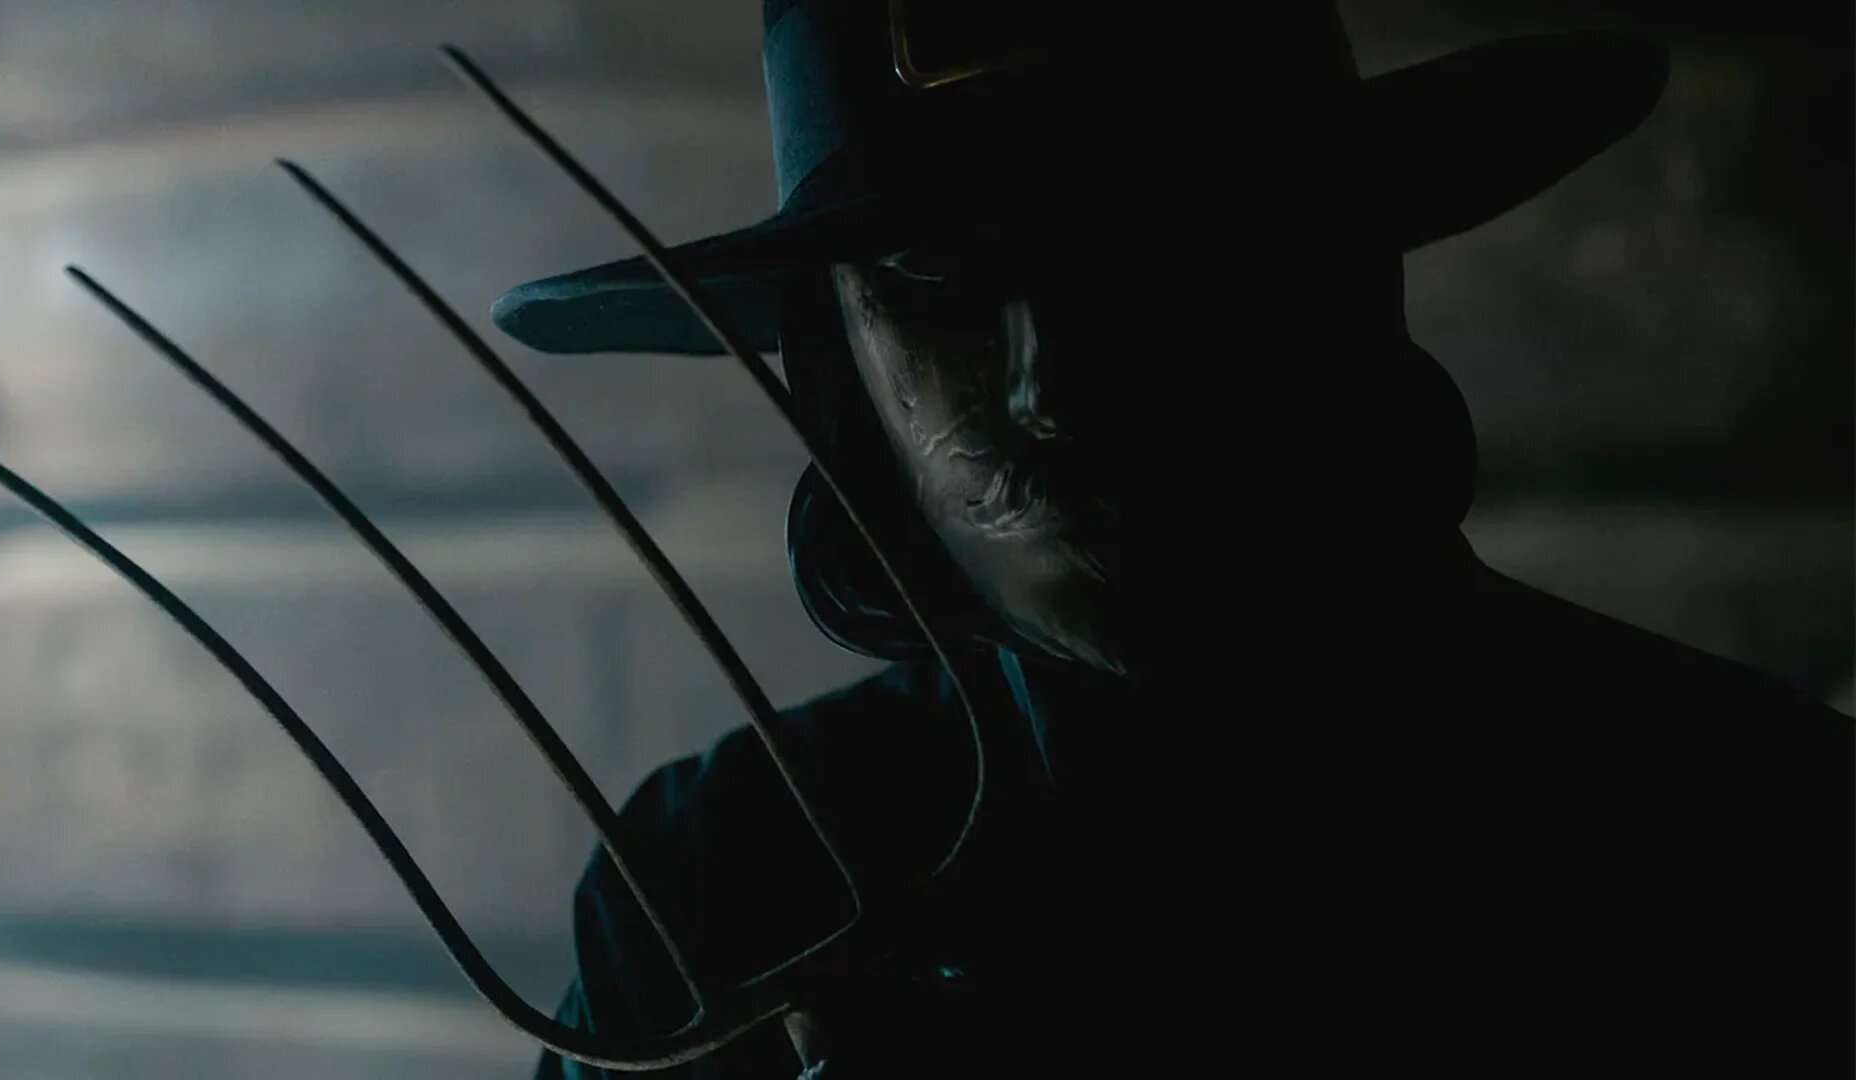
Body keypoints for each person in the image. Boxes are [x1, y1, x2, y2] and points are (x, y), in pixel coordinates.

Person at [497, 4, 1853, 1076]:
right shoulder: (725, 882)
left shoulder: (1755, 846)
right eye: (935, 275)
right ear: (835, 361)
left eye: (1151, 238)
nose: (1053, 385)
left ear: (1335, 262)